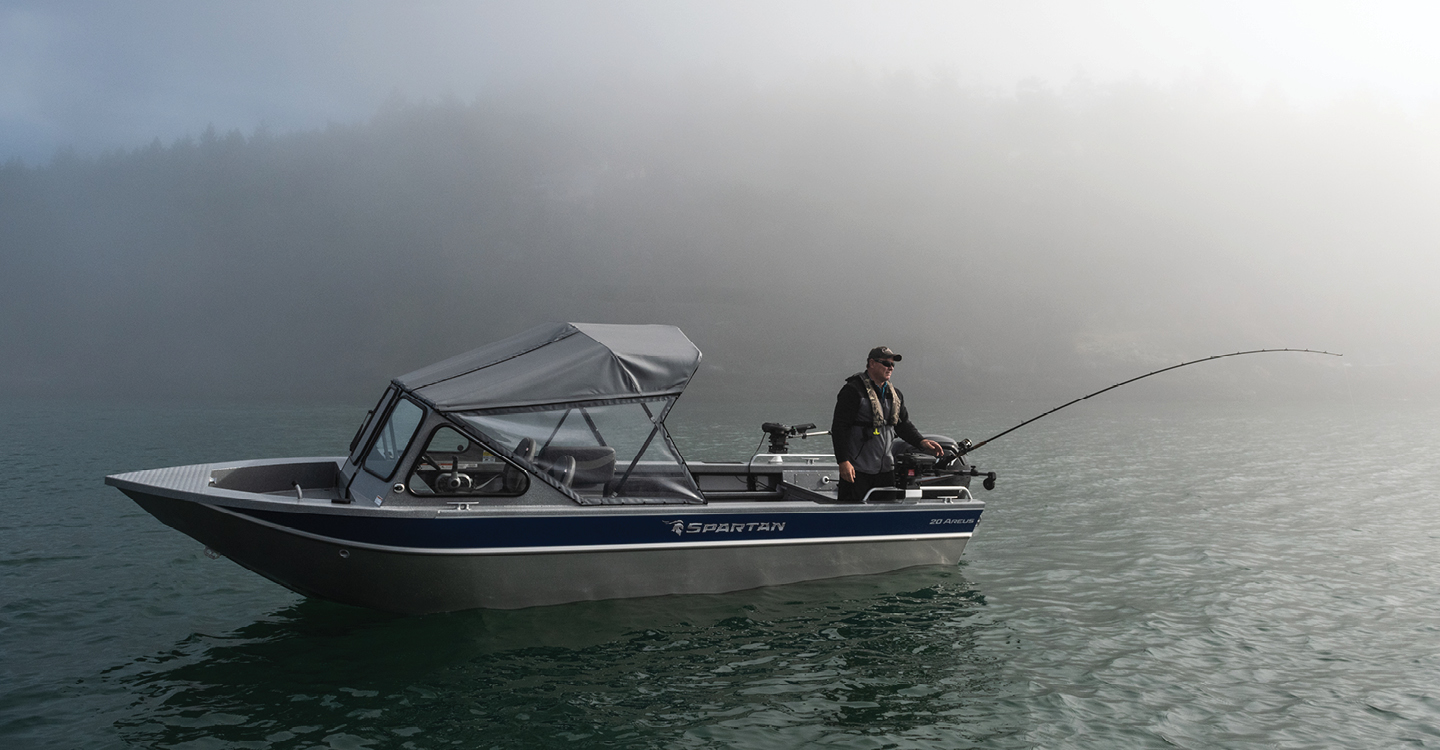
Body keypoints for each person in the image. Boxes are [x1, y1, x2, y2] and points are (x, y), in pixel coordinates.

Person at [830, 346, 943, 502]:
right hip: (857, 469)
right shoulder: (852, 391)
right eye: (885, 363)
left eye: (892, 365)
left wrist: (921, 441)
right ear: (871, 363)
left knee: (886, 514)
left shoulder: (895, 394)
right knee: (852, 516)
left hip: (886, 470)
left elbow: (903, 424)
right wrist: (843, 462)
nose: (890, 367)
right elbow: (839, 428)